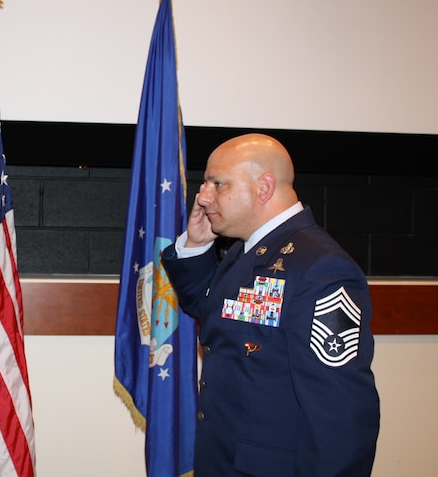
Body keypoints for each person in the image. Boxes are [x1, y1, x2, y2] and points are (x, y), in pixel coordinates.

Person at [161, 133, 380, 477]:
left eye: (217, 183)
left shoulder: (320, 268)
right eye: (205, 183)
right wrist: (196, 246)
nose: (202, 197)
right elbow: (211, 311)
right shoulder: (245, 250)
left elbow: (341, 416)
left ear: (263, 187)